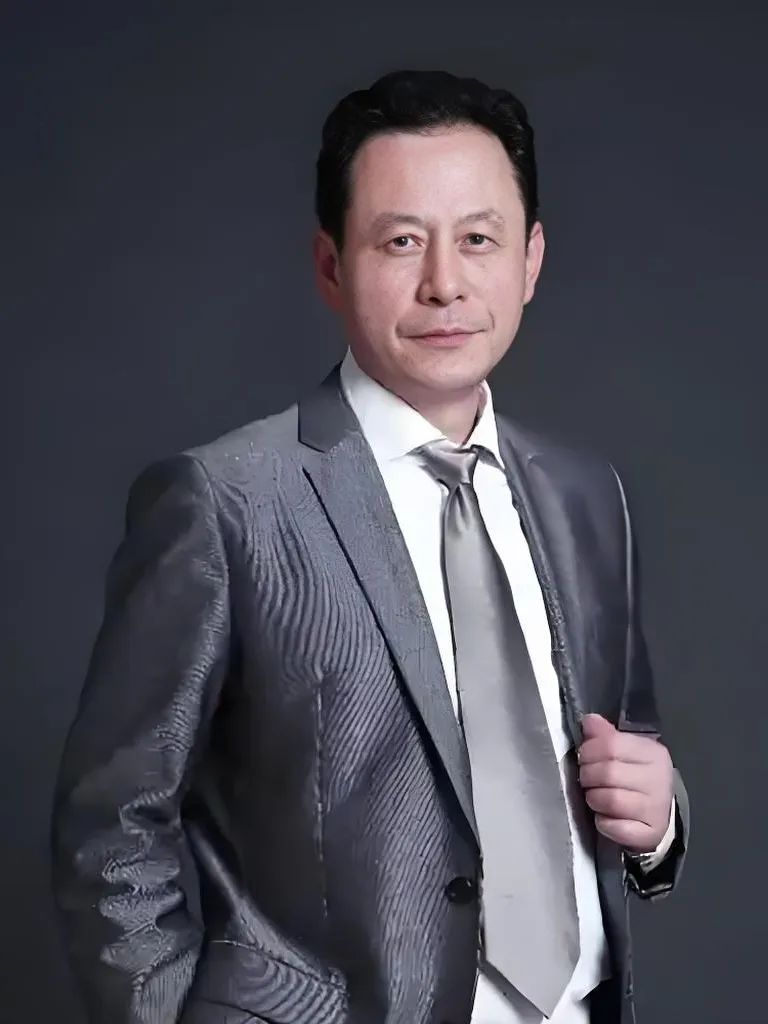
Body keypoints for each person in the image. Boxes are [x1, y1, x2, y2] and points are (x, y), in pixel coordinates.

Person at [51, 69, 689, 1024]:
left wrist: (661, 821)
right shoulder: (225, 502)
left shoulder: (586, 493)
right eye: (401, 241)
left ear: (531, 260)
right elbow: (112, 829)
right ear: (330, 264)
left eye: (479, 239)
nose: (445, 283)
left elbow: (632, 750)